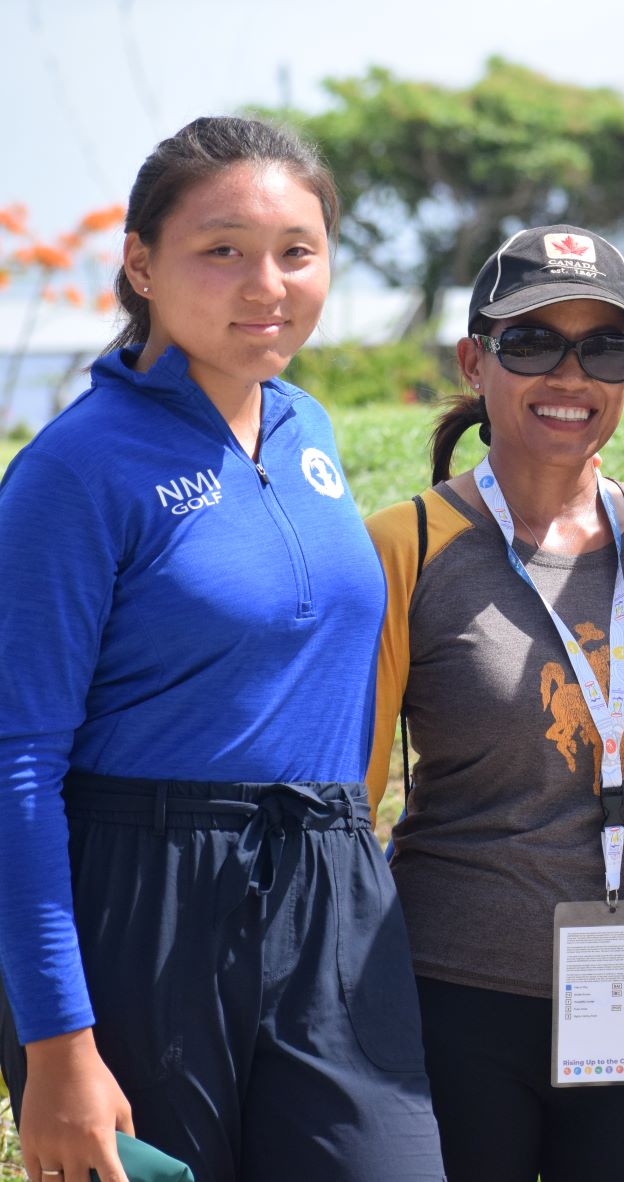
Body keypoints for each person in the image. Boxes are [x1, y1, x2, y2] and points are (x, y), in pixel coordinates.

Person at [0, 116, 443, 1182]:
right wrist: (58, 1042)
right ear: (141, 265)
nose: (268, 285)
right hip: (143, 898)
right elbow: (15, 768)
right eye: (223, 250)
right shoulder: (75, 470)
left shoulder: (309, 433)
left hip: (332, 882)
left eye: (298, 251)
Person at [363, 225, 624, 1181]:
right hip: (453, 995)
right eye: (531, 343)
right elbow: (345, 800)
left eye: (604, 346)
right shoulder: (408, 545)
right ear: (475, 362)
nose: (571, 373)